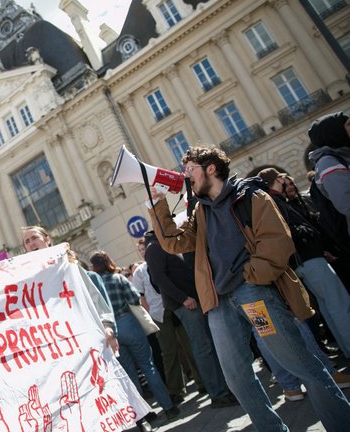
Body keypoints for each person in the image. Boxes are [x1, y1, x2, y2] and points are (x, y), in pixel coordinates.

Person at [146, 144, 350, 432]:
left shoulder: (251, 195)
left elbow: (277, 241)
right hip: (219, 303)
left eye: (189, 169)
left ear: (211, 168)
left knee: (300, 363)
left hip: (253, 293)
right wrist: (158, 205)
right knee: (237, 379)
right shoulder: (200, 212)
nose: (185, 175)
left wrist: (251, 276)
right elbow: (173, 242)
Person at [257, 168, 350, 358]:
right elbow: (287, 230)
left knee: (328, 307)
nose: (285, 182)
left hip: (303, 261)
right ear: (277, 181)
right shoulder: (274, 201)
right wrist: (307, 232)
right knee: (339, 304)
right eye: (282, 180)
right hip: (307, 259)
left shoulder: (272, 200)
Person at [142, 230, 237, 409]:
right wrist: (182, 298)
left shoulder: (164, 245)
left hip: (192, 300)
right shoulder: (154, 248)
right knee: (203, 347)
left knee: (207, 345)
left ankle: (223, 389)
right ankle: (218, 393)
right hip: (185, 304)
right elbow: (158, 279)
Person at [89, 251, 179, 423]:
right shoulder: (118, 279)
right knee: (148, 366)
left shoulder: (93, 285)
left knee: (129, 374)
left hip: (110, 330)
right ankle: (168, 407)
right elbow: (134, 298)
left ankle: (142, 416)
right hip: (127, 321)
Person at [21, 226, 118, 353]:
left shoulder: (68, 266)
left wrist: (107, 326)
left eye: (35, 238)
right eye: (27, 242)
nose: (31, 244)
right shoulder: (29, 280)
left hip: (88, 334)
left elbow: (93, 296)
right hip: (62, 345)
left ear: (47, 239)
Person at [133, 236, 204, 404]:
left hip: (176, 304)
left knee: (190, 345)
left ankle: (202, 380)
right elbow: (141, 296)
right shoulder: (140, 271)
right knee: (169, 351)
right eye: (140, 250)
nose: (143, 252)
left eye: (144, 248)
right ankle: (176, 389)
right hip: (159, 313)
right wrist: (150, 314)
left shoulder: (163, 257)